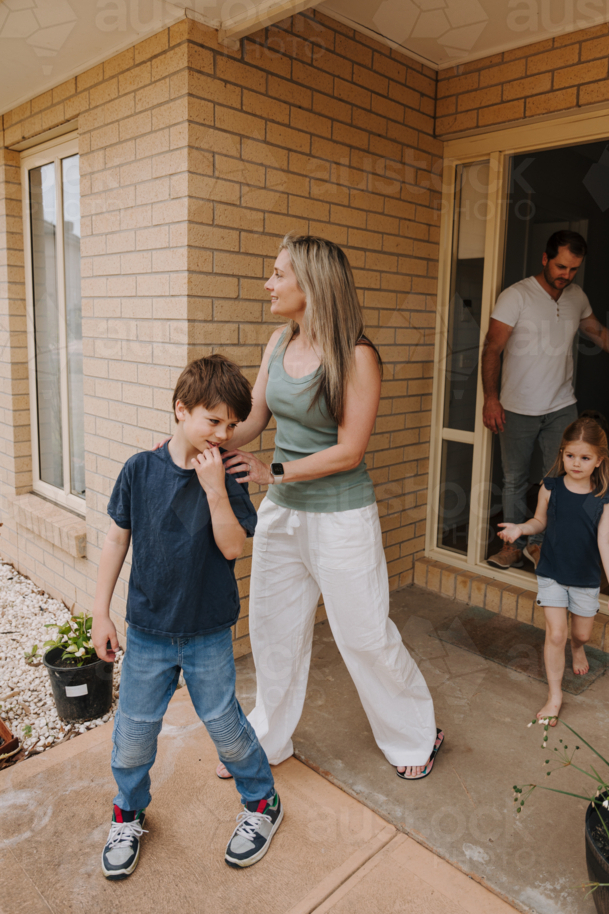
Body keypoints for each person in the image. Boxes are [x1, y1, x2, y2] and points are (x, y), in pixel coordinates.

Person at [219, 234, 443, 781]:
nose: (268, 284)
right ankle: (267, 738)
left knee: (364, 635)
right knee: (273, 630)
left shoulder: (357, 356)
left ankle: (415, 733)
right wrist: (205, 436)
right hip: (282, 513)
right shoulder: (278, 342)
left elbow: (349, 451)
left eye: (277, 274)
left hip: (341, 516)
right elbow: (252, 421)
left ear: (311, 283)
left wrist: (272, 470)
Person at [91, 355, 283, 879]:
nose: (222, 434)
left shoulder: (228, 474)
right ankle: (127, 813)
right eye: (212, 420)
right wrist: (99, 613)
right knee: (133, 733)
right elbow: (115, 540)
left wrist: (217, 490)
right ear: (181, 410)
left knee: (225, 726)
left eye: (230, 425)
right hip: (148, 633)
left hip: (206, 632)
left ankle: (262, 802)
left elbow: (232, 549)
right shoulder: (140, 469)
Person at [482, 229, 609, 572]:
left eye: (573, 269)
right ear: (545, 258)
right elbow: (492, 347)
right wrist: (491, 398)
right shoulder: (516, 296)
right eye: (560, 266)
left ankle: (541, 545)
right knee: (514, 479)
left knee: (556, 479)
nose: (565, 275)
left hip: (560, 406)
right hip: (516, 405)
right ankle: (512, 547)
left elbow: (595, 330)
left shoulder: (576, 296)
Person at [497, 416, 609, 725]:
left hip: (585, 578)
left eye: (584, 458)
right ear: (562, 454)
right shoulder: (551, 487)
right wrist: (521, 528)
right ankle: (555, 696)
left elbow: (608, 541)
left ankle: (578, 647)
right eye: (570, 455)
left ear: (599, 460)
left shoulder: (603, 500)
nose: (576, 463)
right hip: (552, 572)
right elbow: (540, 522)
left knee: (580, 633)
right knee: (555, 633)